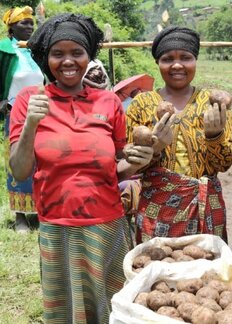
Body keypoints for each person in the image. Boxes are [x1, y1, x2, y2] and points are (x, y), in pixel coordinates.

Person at [9, 13, 154, 322]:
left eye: (77, 52)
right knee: (66, 312)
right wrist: (32, 124)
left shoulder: (108, 102)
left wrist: (139, 160)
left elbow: (117, 166)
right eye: (58, 53)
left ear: (89, 56)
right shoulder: (29, 100)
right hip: (57, 226)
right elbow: (19, 170)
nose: (68, 61)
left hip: (108, 224)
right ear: (46, 58)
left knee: (114, 308)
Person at [125, 26, 232, 242]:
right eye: (167, 59)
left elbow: (224, 163)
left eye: (185, 57)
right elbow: (131, 163)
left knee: (207, 271)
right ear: (158, 63)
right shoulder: (142, 103)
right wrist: (155, 148)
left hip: (206, 205)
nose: (177, 65)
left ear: (195, 60)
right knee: (157, 266)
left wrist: (214, 135)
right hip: (156, 207)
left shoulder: (211, 103)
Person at [0, 6, 44, 233]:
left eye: (31, 23)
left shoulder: (36, 51)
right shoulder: (4, 50)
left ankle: (40, 211)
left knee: (42, 160)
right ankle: (20, 217)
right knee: (17, 160)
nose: (29, 27)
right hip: (16, 112)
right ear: (11, 26)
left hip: (42, 112)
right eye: (23, 23)